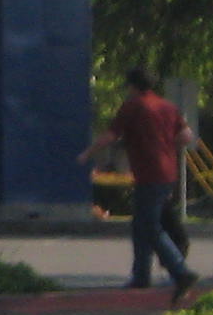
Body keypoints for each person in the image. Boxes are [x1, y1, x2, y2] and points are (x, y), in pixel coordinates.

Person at [84, 70, 197, 300]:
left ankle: (181, 271)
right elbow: (186, 136)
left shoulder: (133, 106)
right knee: (140, 225)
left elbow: (110, 136)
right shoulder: (167, 106)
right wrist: (165, 144)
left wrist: (88, 154)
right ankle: (141, 275)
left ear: (133, 86)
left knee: (149, 226)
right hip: (168, 173)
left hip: (149, 174)